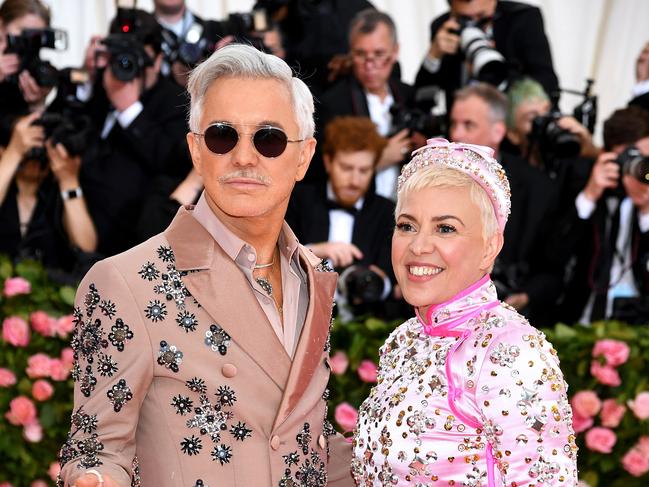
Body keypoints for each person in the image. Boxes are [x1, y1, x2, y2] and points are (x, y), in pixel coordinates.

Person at [58, 43, 353, 487]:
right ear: (196, 151)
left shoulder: (314, 279)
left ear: (304, 157)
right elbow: (95, 449)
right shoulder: (127, 282)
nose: (244, 157)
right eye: (222, 135)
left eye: (269, 138)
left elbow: (299, 442)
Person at [351, 138, 578, 485]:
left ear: (490, 247)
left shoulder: (510, 350)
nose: (419, 245)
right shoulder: (405, 338)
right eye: (406, 225)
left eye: (446, 228)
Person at [449, 83, 560, 326]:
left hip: (514, 319)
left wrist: (527, 294)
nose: (456, 134)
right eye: (453, 123)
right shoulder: (432, 180)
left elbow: (552, 264)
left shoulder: (537, 187)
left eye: (468, 125)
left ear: (498, 132)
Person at [286, 116, 394, 319]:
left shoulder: (386, 212)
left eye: (363, 171)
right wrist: (314, 251)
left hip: (365, 328)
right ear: (328, 162)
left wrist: (376, 283)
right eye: (346, 168)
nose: (354, 180)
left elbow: (392, 280)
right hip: (298, 319)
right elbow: (271, 257)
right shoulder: (298, 200)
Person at [552, 106, 649, 325]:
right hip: (578, 318)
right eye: (627, 158)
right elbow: (553, 255)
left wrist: (645, 211)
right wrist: (589, 196)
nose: (635, 167)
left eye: (643, 158)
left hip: (637, 324)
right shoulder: (582, 180)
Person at [315, 9, 420, 199]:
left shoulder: (408, 94)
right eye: (360, 54)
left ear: (395, 51)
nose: (369, 65)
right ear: (350, 53)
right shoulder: (334, 103)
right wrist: (379, 159)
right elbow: (321, 171)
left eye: (379, 54)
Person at [414, 0, 559, 114]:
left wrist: (497, 71)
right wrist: (434, 56)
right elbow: (422, 99)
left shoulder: (523, 18)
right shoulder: (443, 26)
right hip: (463, 135)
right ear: (452, 9)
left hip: (509, 128)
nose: (474, 26)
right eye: (464, 20)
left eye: (482, 18)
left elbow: (547, 83)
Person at [0, 0, 52, 145]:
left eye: (35, 38)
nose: (28, 43)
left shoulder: (35, 67)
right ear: (1, 26)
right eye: (24, 34)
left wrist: (38, 103)